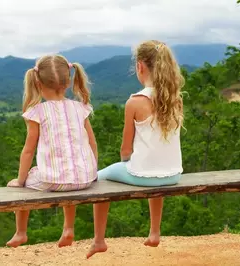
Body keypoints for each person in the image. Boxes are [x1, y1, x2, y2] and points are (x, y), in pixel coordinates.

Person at [87, 40, 184, 258]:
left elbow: (125, 149)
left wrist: (126, 161)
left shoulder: (135, 102)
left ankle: (99, 240)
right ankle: (155, 232)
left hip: (143, 174)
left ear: (140, 66)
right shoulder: (175, 98)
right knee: (152, 166)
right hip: (173, 174)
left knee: (97, 178)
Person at [6, 55, 98, 248]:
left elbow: (28, 150)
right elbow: (92, 142)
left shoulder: (37, 111)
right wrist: (93, 173)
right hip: (85, 179)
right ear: (68, 82)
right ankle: (69, 228)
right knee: (69, 170)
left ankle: (21, 232)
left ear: (37, 82)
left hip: (53, 181)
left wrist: (20, 180)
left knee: (26, 182)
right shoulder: (80, 108)